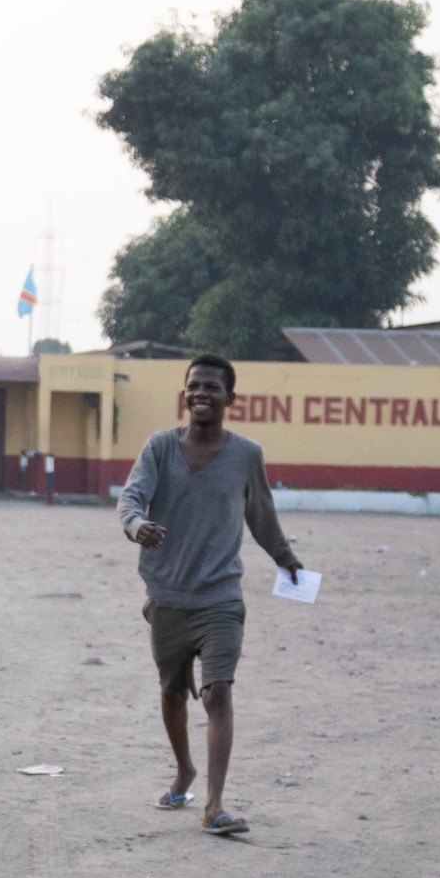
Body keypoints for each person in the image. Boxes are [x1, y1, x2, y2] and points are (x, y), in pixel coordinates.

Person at [116, 353, 302, 838]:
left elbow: (260, 515)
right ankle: (185, 772)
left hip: (221, 598)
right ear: (185, 392)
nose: (201, 394)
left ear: (229, 398)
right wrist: (137, 527)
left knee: (217, 693)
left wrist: (285, 557)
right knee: (173, 692)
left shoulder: (246, 455)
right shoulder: (159, 447)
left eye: (212, 388)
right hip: (168, 595)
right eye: (194, 386)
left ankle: (215, 806)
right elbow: (131, 498)